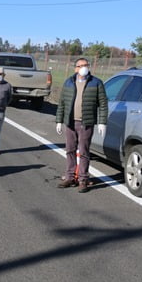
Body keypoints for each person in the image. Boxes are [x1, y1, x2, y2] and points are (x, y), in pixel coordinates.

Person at [56, 57, 108, 193]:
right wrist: (59, 120)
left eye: (86, 65)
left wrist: (102, 122)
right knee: (70, 150)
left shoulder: (96, 83)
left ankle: (83, 179)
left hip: (86, 123)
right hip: (70, 122)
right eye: (80, 65)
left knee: (84, 152)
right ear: (75, 68)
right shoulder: (68, 82)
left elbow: (103, 104)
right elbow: (62, 103)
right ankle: (70, 176)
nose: (84, 67)